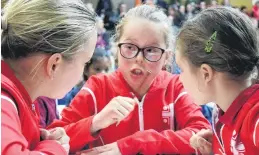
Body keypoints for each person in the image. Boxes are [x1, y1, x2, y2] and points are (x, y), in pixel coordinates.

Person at [49, 5, 210, 155]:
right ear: (117, 49)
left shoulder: (176, 87)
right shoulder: (98, 87)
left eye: (151, 50)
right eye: (130, 47)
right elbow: (53, 138)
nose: (139, 58)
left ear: (166, 57)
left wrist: (134, 143)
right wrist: (95, 123)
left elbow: (202, 135)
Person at [1, 0, 97, 154]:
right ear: (54, 64)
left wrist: (40, 141)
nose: (81, 76)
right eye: (85, 63)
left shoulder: (19, 100)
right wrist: (54, 149)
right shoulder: (4, 101)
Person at [175, 7, 259, 154]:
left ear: (205, 74)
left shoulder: (255, 121)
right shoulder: (221, 111)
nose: (179, 78)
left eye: (182, 69)